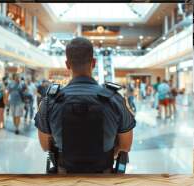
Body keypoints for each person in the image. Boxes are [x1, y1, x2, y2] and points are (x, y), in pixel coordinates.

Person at [34, 37, 136, 174]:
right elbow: (125, 146)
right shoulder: (115, 99)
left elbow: (45, 146)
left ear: (67, 65)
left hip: (64, 179)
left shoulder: (49, 102)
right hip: (103, 179)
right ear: (93, 63)